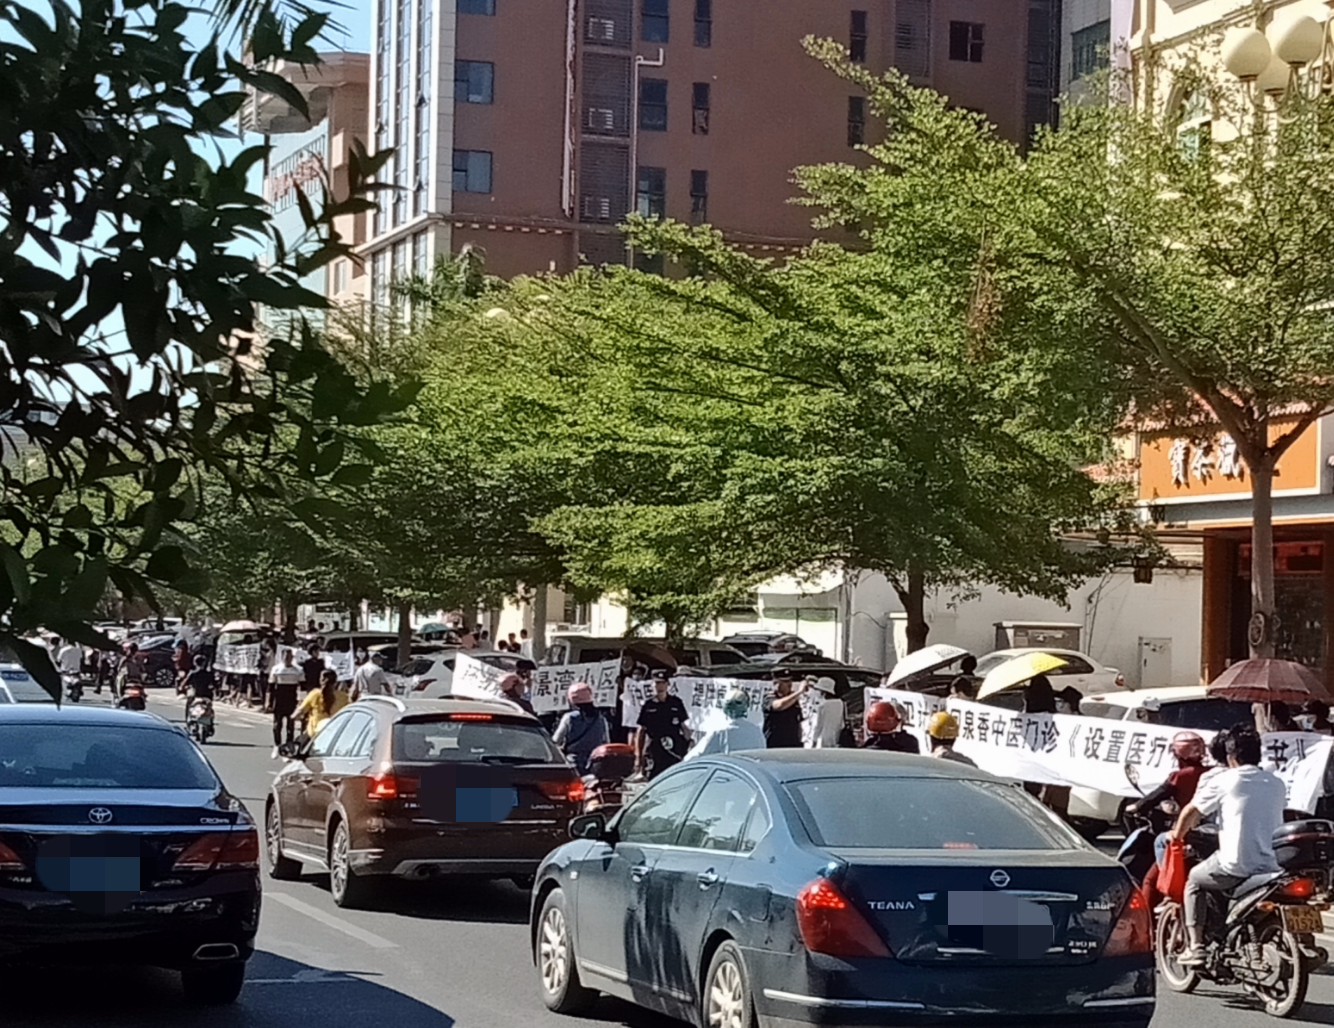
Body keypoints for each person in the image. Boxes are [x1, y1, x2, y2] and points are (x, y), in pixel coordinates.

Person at [1172, 725, 1286, 966]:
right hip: (1273, 866)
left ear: (1231, 756)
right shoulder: (1276, 783)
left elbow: (1191, 811)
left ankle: (1196, 946)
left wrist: (1177, 837)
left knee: (1194, 880)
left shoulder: (1225, 780)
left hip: (1235, 866)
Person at [1126, 731, 1207, 867]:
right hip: (1209, 826)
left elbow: (1158, 794)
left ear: (1176, 753)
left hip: (1187, 827)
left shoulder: (1180, 776)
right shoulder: (1211, 773)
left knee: (1160, 843)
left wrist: (1137, 806)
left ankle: (1165, 874)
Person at [635, 670, 691, 780]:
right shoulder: (648, 705)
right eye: (657, 683)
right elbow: (641, 731)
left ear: (667, 684)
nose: (659, 686)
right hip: (655, 748)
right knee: (654, 779)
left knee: (674, 778)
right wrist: (638, 755)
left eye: (662, 683)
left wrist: (689, 744)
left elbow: (684, 726)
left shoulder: (676, 703)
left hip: (673, 747)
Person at [686, 689, 766, 759]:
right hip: (750, 771)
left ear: (724, 706)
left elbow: (695, 756)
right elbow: (763, 756)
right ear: (746, 706)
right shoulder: (756, 731)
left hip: (726, 771)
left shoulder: (719, 731)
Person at [553, 683, 610, 776]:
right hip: (595, 763)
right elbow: (606, 742)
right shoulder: (601, 718)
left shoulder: (569, 718)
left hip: (574, 763)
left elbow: (555, 741)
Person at [268, 648, 304, 757]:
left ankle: (288, 746)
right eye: (285, 657)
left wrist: (301, 702)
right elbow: (270, 687)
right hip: (279, 699)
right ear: (282, 657)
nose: (287, 659)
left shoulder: (298, 670)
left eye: (289, 657)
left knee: (290, 725)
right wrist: (269, 702)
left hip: (291, 699)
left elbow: (302, 687)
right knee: (277, 725)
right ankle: (277, 745)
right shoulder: (276, 669)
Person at [294, 669, 349, 739]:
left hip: (315, 734)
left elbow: (299, 712)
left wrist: (294, 717)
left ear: (320, 681)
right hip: (335, 734)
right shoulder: (344, 697)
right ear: (335, 682)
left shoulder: (315, 694)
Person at [763, 672, 807, 749]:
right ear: (776, 683)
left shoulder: (794, 698)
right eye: (785, 681)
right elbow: (779, 706)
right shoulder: (769, 696)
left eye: (790, 681)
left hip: (794, 744)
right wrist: (799, 692)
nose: (789, 684)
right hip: (776, 744)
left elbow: (800, 721)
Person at [808, 676, 845, 749]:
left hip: (822, 740)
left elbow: (818, 725)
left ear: (823, 692)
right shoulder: (840, 703)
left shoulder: (822, 705)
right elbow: (842, 724)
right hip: (835, 738)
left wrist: (814, 741)